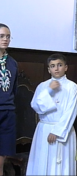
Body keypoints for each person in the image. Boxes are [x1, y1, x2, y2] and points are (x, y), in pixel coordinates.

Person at [26, 53, 77, 175]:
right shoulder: (43, 86)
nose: (56, 68)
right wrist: (49, 90)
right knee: (42, 162)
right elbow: (36, 106)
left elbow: (71, 111)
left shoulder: (72, 87)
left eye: (60, 65)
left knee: (61, 164)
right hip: (44, 129)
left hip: (62, 130)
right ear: (49, 69)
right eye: (53, 66)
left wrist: (57, 131)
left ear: (66, 67)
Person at [0, 24, 17, 176]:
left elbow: (14, 88)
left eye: (7, 36)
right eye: (1, 36)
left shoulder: (12, 63)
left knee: (3, 155)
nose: (5, 39)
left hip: (8, 110)